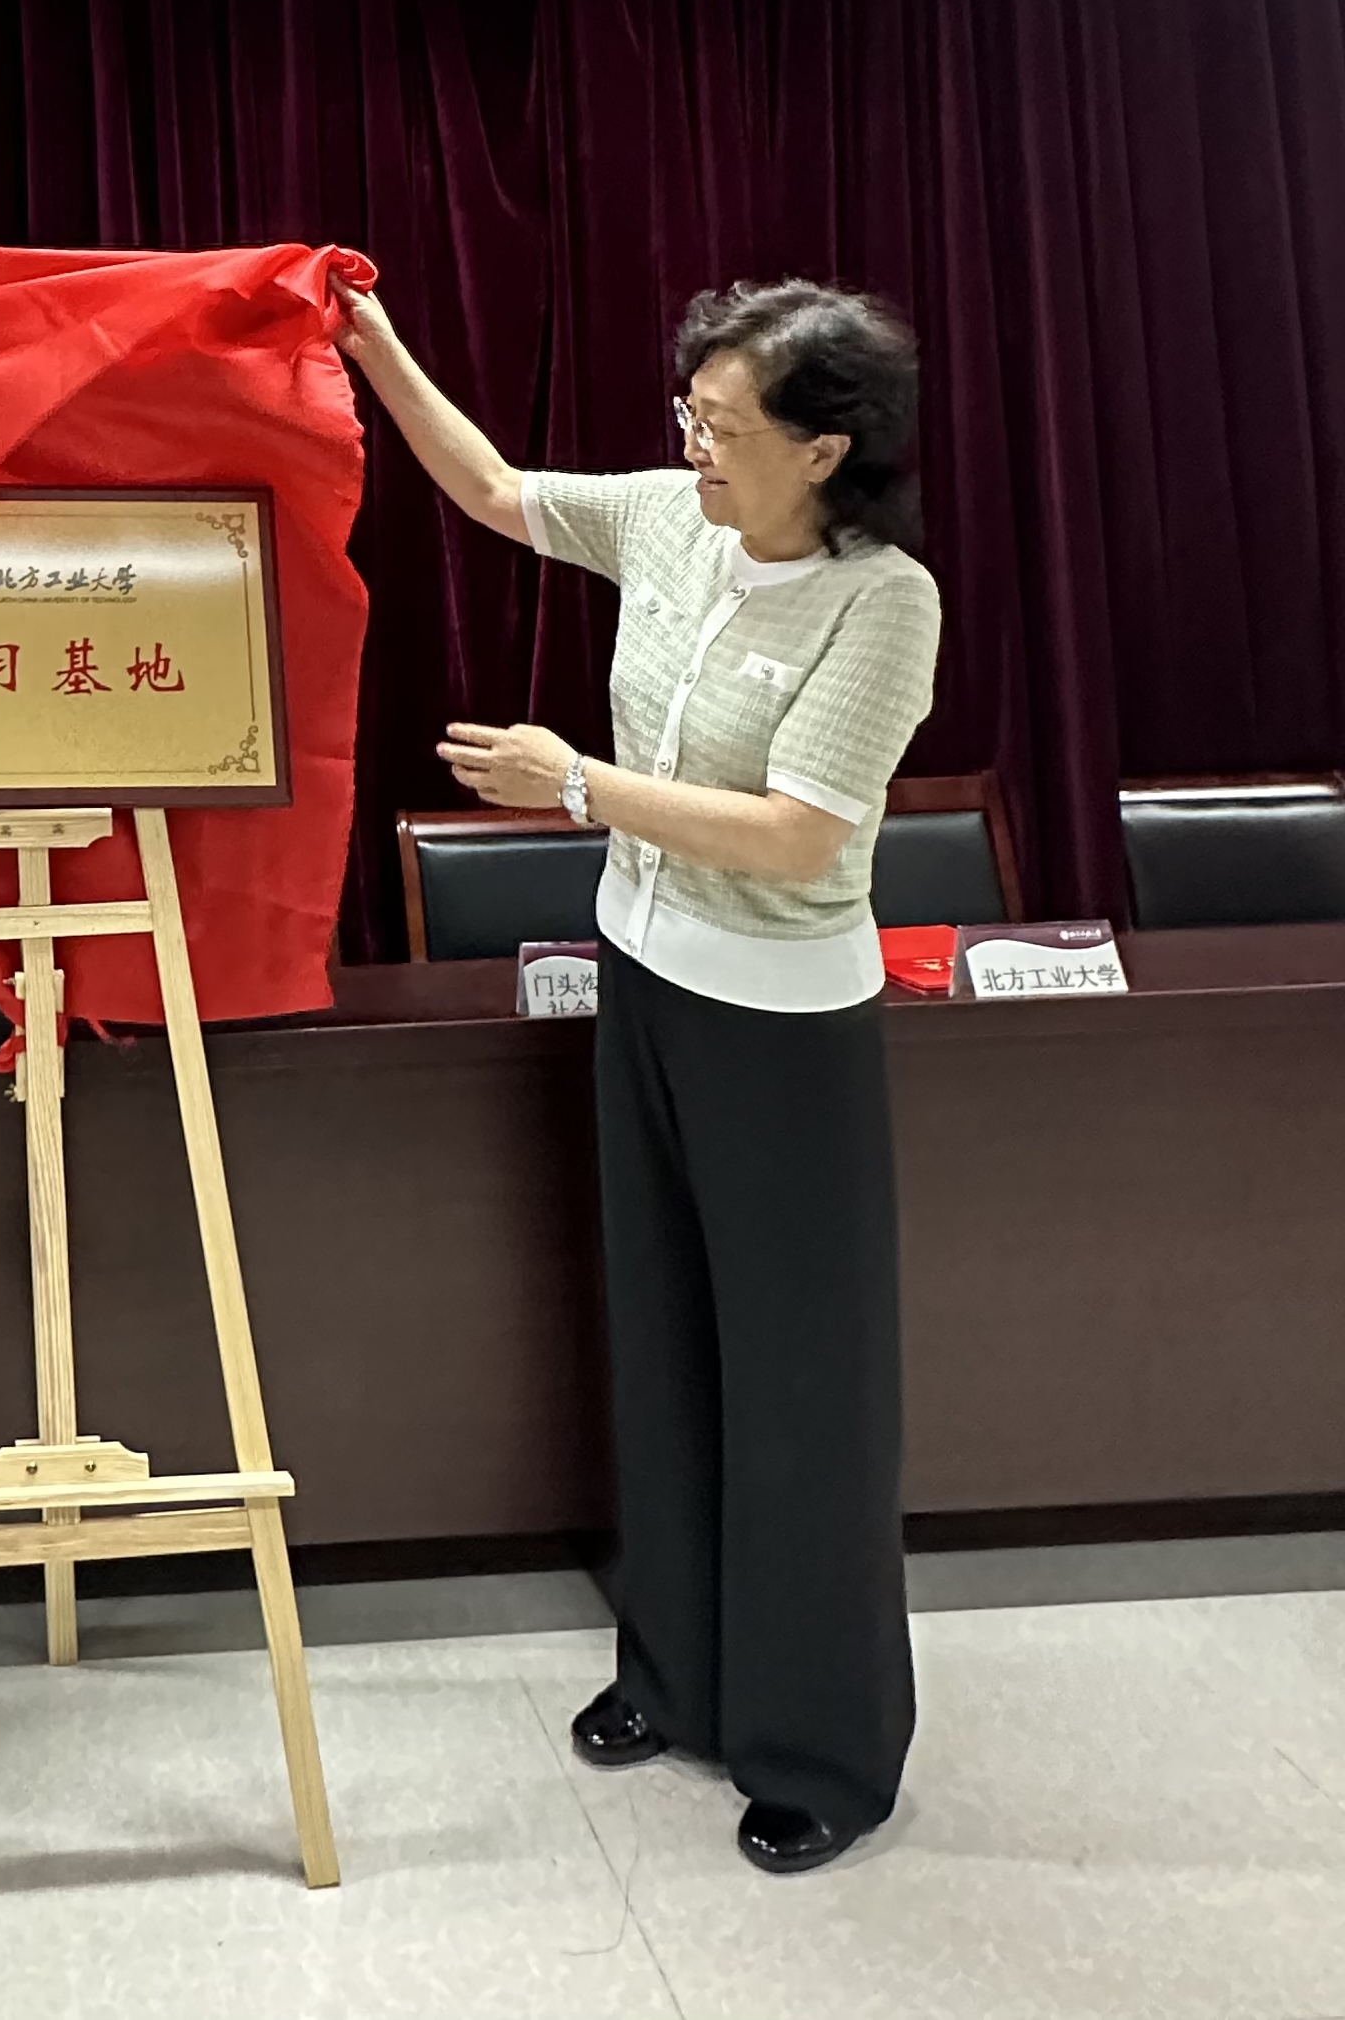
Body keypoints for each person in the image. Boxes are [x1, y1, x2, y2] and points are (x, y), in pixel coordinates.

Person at [338, 274, 940, 1876]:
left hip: (786, 1027)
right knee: (663, 1341)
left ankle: (821, 1744)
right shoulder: (672, 522)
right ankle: (673, 1677)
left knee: (802, 1387)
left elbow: (802, 835)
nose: (692, 446)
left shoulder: (885, 605)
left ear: (824, 450)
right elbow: (492, 488)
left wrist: (577, 787)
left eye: (724, 426)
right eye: (689, 413)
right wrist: (378, 346)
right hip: (647, 984)